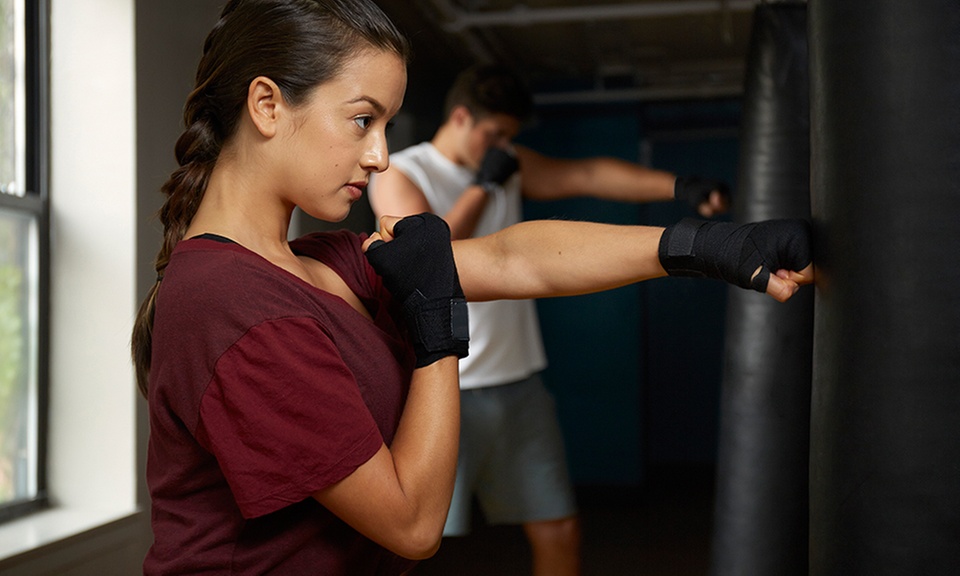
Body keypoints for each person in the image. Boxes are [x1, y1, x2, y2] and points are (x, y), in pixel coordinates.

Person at [130, 1, 813, 574]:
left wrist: (709, 246)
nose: (380, 155)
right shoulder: (232, 305)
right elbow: (412, 523)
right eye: (363, 119)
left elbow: (518, 260)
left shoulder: (319, 263)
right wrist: (436, 335)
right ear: (267, 104)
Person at [368, 64, 731, 576]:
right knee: (412, 547)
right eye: (494, 134)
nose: (502, 146)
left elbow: (587, 174)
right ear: (461, 116)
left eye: (509, 138)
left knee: (558, 529)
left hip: (519, 387)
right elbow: (433, 259)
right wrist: (483, 185)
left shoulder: (506, 162)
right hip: (440, 388)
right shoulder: (402, 172)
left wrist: (680, 186)